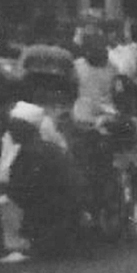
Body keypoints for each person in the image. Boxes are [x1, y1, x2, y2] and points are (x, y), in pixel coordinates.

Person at [0, 101, 87, 260]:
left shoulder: (34, 153)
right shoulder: (41, 149)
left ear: (25, 128)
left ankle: (18, 244)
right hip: (56, 214)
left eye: (14, 126)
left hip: (52, 218)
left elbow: (21, 191)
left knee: (5, 202)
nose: (10, 131)